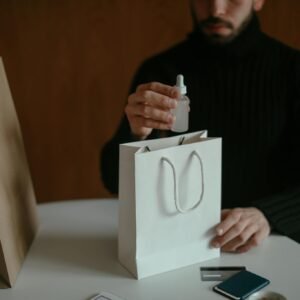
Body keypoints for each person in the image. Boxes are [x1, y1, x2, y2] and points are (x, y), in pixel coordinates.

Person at [101, 0, 300, 252]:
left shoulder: (292, 70)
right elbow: (112, 180)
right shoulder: (160, 69)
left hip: (274, 243)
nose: (216, 9)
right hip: (180, 243)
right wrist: (135, 136)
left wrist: (267, 215)